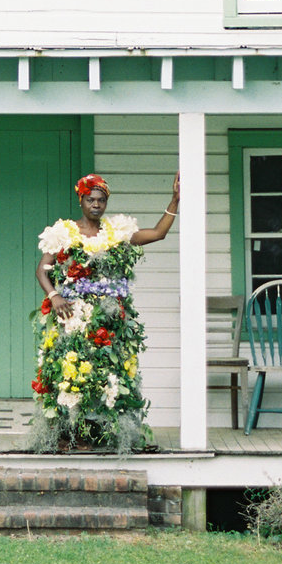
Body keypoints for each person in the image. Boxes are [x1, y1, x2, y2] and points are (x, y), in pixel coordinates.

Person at [31, 171, 180, 451]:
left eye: (101, 200)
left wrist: (175, 200)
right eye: (91, 200)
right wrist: (54, 296)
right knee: (72, 373)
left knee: (106, 373)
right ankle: (68, 434)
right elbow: (42, 270)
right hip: (73, 317)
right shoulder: (65, 232)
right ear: (81, 201)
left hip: (108, 319)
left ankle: (101, 434)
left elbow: (158, 234)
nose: (96, 205)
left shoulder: (116, 233)